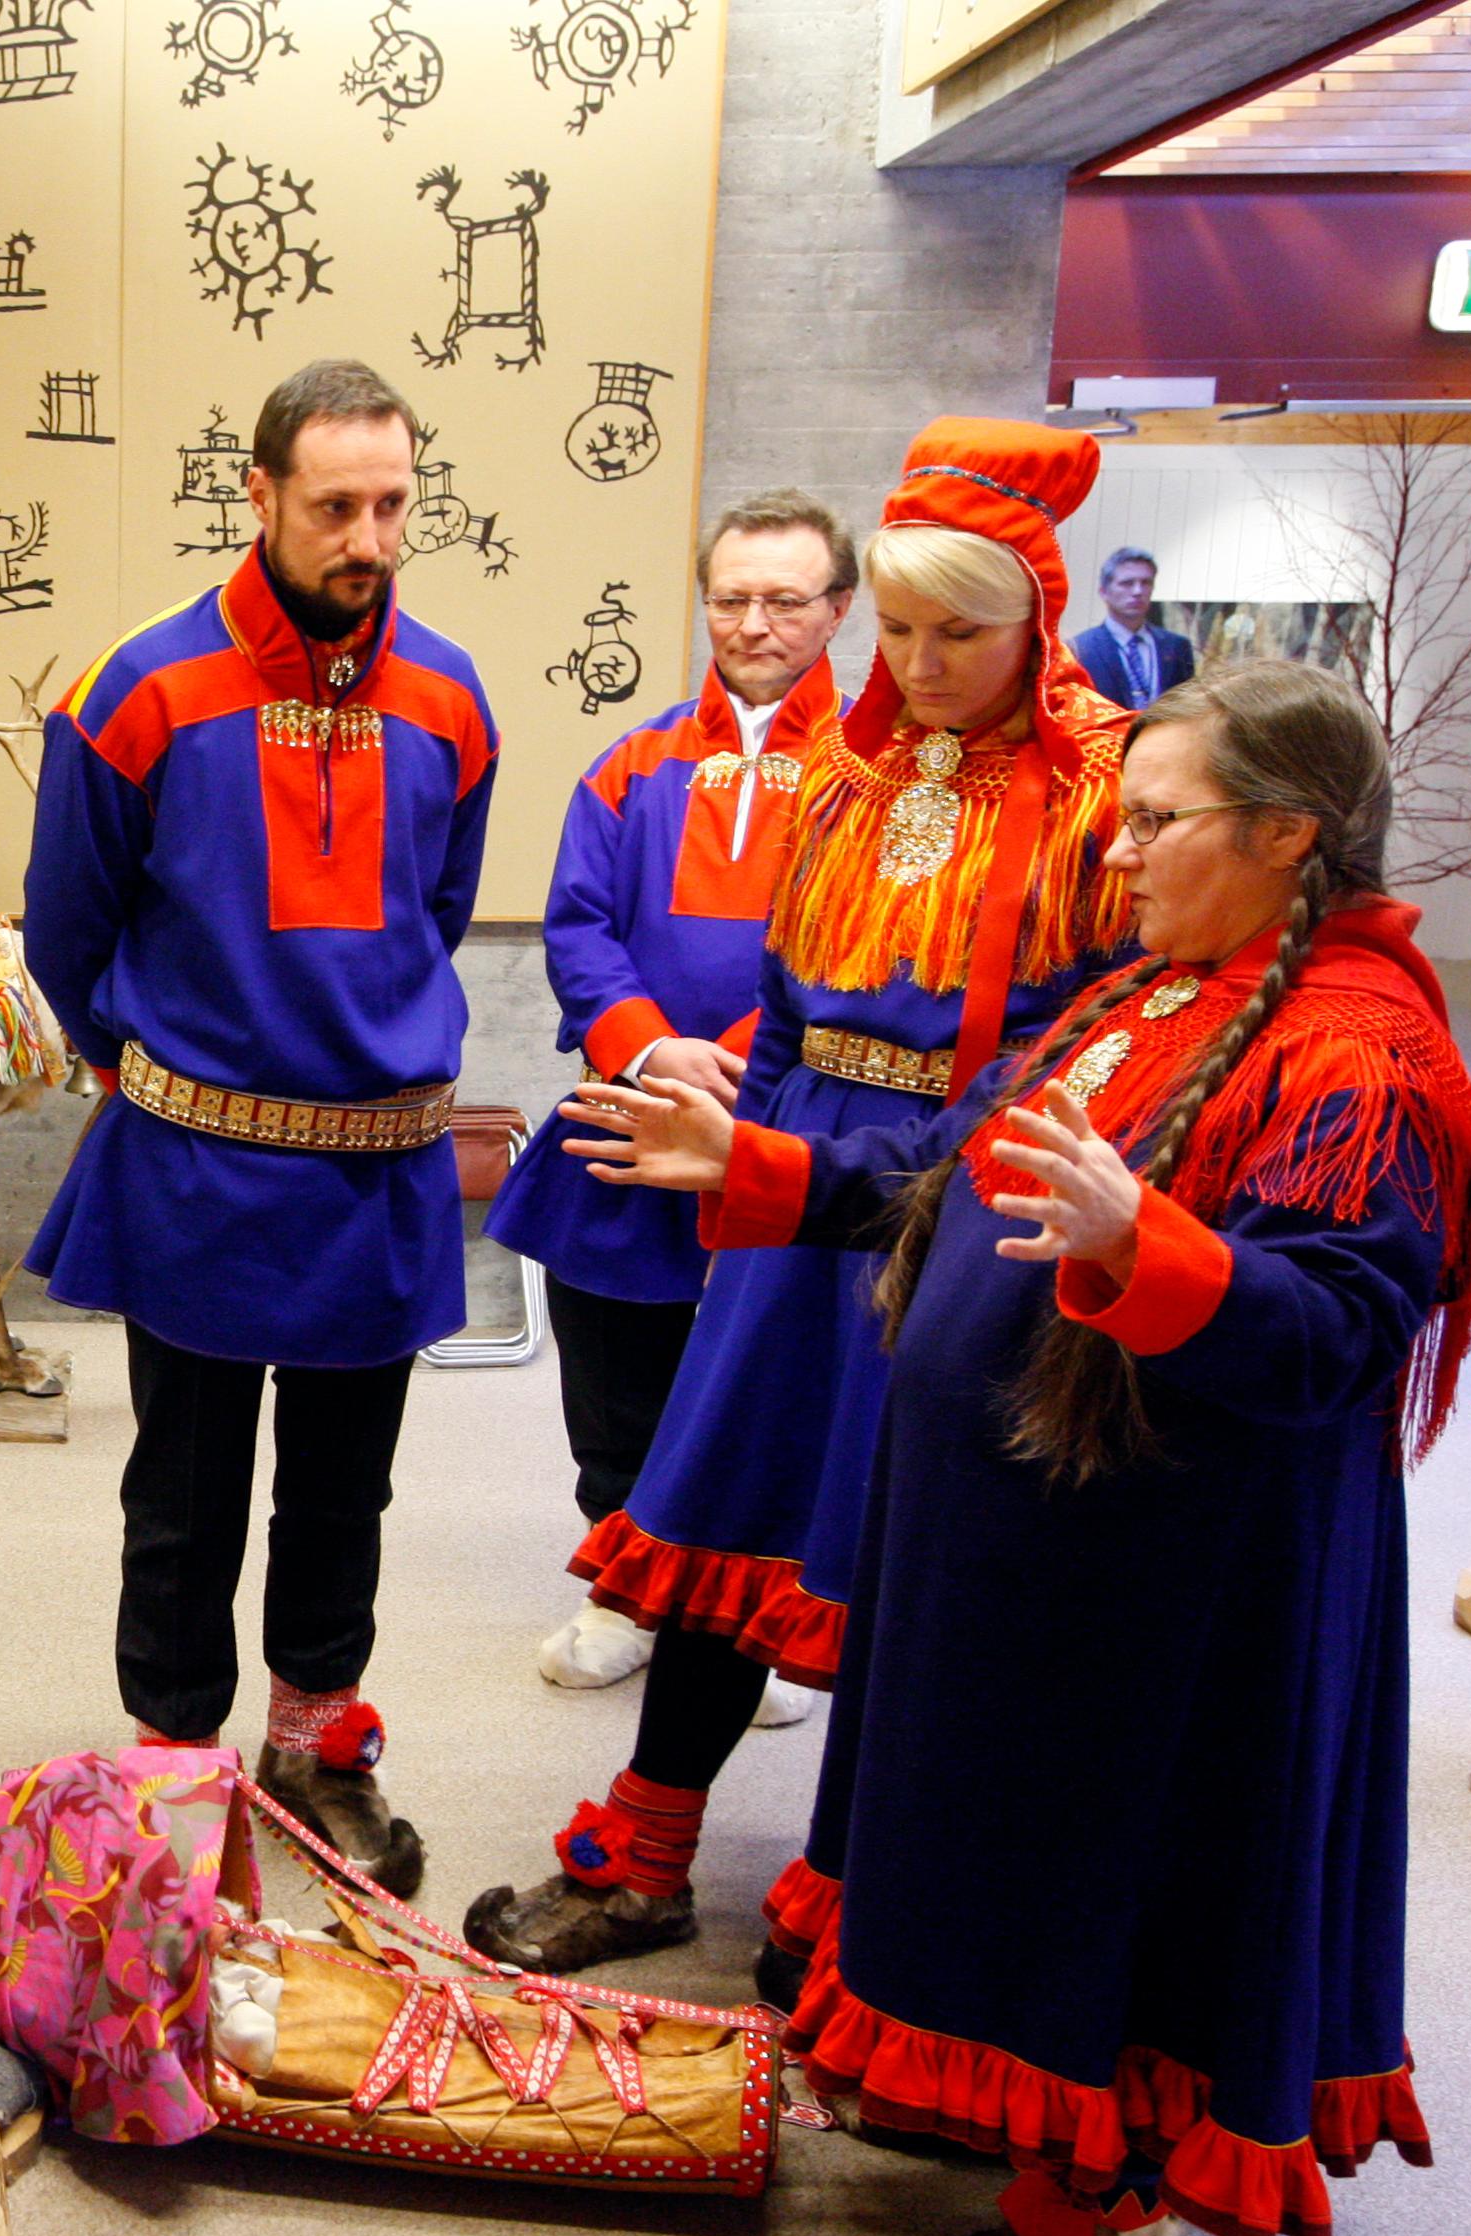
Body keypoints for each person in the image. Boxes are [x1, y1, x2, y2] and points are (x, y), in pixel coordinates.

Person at [560, 656, 1471, 2236]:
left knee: (1114, 1902)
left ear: (1287, 834)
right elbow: (948, 1176)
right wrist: (759, 1165)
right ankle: (1000, 2116)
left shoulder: (1364, 1057)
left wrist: (1155, 1251)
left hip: (1163, 1606)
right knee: (1008, 1867)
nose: (1114, 854)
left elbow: (1344, 1333)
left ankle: (1105, 2216)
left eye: (1156, 822)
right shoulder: (1146, 991)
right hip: (1022, 1567)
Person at [466, 419, 1136, 1983]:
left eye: (957, 632)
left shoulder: (1105, 796)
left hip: (967, 1192)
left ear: (1034, 617)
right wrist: (747, 1176)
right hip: (794, 1179)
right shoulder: (844, 775)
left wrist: (884, 1177)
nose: (921, 665)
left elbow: (1090, 1026)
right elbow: (780, 993)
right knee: (725, 1510)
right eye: (899, 631)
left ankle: (860, 1889)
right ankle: (647, 1857)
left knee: (913, 1545)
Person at [24, 356, 498, 1892]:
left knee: (344, 1488)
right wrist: (175, 1076)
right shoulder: (139, 691)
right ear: (260, 495)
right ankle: (174, 1772)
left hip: (381, 1173)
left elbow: (431, 913)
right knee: (184, 1488)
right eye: (335, 506)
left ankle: (311, 1746)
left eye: (393, 505)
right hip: (199, 1165)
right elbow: (67, 936)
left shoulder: (451, 695)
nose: (369, 538)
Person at [489, 491, 854, 1694]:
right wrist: (654, 1049)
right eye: (731, 598)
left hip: (791, 1117)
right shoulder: (632, 762)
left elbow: (866, 947)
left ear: (838, 609)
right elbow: (579, 926)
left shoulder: (874, 780)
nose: (753, 623)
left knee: (780, 1369)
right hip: (632, 1105)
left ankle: (780, 1610)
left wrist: (743, 1056)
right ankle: (621, 1584)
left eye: (784, 600)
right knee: (613, 1361)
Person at [1073, 544, 1191, 713]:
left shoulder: (1176, 646)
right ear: (1104, 592)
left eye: (1146, 583)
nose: (1138, 591)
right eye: (1127, 583)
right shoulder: (1081, 649)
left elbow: (1185, 707)